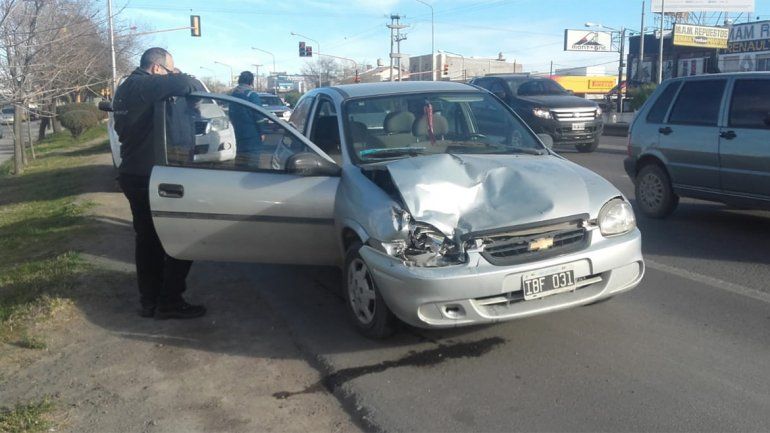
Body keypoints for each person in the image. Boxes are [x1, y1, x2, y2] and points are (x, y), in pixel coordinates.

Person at [113, 47, 206, 319]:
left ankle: (150, 301)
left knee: (148, 241)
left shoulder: (126, 88)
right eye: (169, 69)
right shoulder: (144, 85)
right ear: (156, 69)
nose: (171, 74)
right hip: (151, 176)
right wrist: (177, 75)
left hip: (134, 172)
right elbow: (190, 84)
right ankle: (169, 301)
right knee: (182, 236)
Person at [229, 71, 264, 165]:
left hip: (237, 132)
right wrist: (262, 132)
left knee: (240, 160)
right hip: (252, 134)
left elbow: (230, 114)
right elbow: (259, 116)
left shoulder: (233, 95)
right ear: (251, 81)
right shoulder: (252, 95)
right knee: (253, 163)